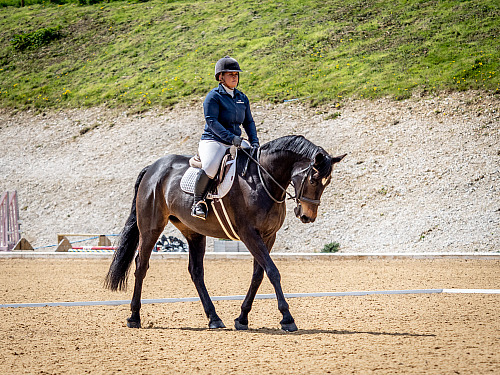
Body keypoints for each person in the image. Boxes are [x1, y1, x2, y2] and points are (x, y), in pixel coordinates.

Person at [191, 56, 260, 220]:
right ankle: (198, 202)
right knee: (211, 165)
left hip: (235, 141)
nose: (235, 77)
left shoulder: (242, 98)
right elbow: (212, 121)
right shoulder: (213, 97)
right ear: (221, 77)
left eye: (236, 74)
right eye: (230, 74)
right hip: (213, 140)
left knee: (254, 160)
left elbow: (249, 122)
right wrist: (231, 138)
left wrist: (254, 141)